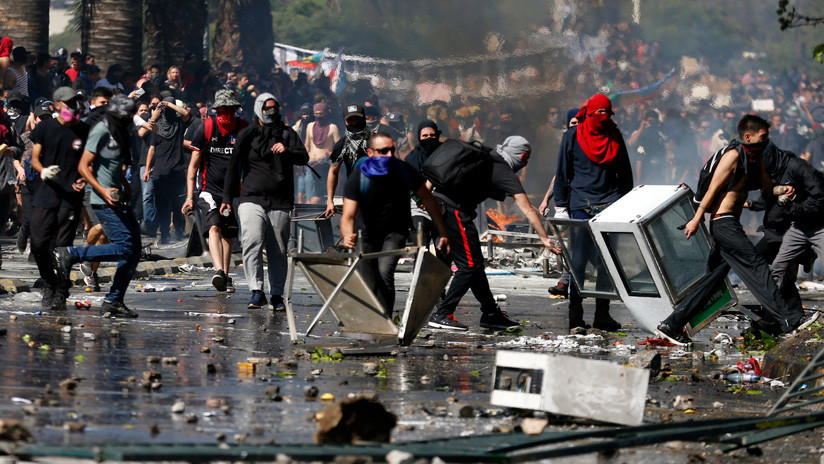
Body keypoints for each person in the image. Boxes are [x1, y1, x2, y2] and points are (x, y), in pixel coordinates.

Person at [656, 115, 805, 345]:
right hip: (723, 223)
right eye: (762, 137)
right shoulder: (733, 155)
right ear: (748, 136)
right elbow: (712, 190)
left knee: (713, 280)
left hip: (729, 224)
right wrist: (696, 220)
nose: (766, 141)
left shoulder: (755, 160)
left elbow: (767, 188)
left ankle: (671, 324)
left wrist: (783, 189)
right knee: (756, 267)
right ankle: (789, 320)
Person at [428, 135, 556, 331]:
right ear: (521, 155)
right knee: (469, 266)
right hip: (454, 213)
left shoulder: (487, 154)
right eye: (526, 158)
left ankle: (490, 313)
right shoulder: (503, 170)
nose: (525, 163)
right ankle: (443, 314)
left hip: (441, 206)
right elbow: (528, 209)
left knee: (476, 267)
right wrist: (545, 239)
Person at [340, 132, 449, 315]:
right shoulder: (360, 175)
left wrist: (442, 231)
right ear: (371, 153)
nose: (389, 155)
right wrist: (347, 233)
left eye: (392, 150)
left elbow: (428, 200)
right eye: (383, 151)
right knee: (368, 281)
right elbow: (348, 214)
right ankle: (369, 322)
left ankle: (385, 321)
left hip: (395, 232)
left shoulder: (403, 170)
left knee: (384, 274)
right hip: (365, 234)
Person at [54, 95, 141, 318]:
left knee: (134, 250)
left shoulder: (119, 130)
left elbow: (112, 164)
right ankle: (72, 253)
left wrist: (125, 184)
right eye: (129, 114)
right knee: (125, 247)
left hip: (117, 196)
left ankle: (114, 300)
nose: (132, 118)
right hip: (103, 200)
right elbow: (84, 166)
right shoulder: (101, 129)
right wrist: (102, 190)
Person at [220, 93, 308, 310]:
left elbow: (303, 157)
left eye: (275, 108)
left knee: (278, 249)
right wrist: (227, 198)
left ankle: (276, 294)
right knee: (252, 241)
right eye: (267, 108)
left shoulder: (287, 133)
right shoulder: (247, 135)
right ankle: (256, 291)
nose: (272, 112)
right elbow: (234, 167)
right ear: (259, 109)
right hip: (251, 198)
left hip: (280, 200)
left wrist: (286, 151)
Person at [554, 94, 633, 332]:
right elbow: (562, 172)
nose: (604, 117)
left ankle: (602, 314)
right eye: (599, 112)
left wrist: (626, 203)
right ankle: (575, 317)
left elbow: (625, 174)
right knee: (577, 262)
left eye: (607, 113)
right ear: (590, 113)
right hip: (580, 207)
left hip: (610, 206)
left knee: (607, 264)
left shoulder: (615, 136)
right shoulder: (572, 136)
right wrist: (561, 206)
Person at [29, 87, 90, 311]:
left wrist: (84, 178)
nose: (73, 107)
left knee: (63, 247)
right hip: (47, 193)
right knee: (38, 244)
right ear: (56, 106)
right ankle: (49, 281)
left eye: (76, 103)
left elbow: (90, 161)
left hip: (71, 196)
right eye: (68, 103)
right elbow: (35, 158)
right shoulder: (45, 128)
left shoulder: (84, 129)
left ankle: (61, 290)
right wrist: (43, 171)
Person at [183, 90, 247, 292]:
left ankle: (225, 275)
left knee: (228, 235)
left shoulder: (243, 128)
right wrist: (189, 196)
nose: (225, 112)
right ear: (216, 109)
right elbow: (193, 165)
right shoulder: (207, 127)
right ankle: (218, 271)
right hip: (208, 189)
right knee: (214, 228)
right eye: (222, 108)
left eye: (229, 108)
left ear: (235, 110)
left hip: (235, 192)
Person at [538, 107, 579, 299]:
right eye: (573, 124)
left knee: (578, 246)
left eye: (579, 124)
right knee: (569, 246)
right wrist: (547, 198)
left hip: (582, 203)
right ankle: (566, 282)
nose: (576, 128)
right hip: (567, 204)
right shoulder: (566, 144)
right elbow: (559, 176)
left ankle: (567, 283)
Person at [143, 96, 190, 243]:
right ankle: (164, 234)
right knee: (162, 206)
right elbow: (151, 149)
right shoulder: (157, 126)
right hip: (160, 172)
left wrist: (170, 104)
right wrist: (147, 169)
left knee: (177, 205)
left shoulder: (178, 124)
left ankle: (179, 233)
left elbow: (186, 113)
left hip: (177, 170)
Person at [403, 120, 446, 258]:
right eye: (425, 136)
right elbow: (409, 185)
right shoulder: (412, 158)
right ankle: (420, 275)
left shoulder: (446, 153)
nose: (429, 138)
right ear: (419, 137)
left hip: (443, 206)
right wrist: (419, 199)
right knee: (421, 250)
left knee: (443, 252)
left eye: (432, 135)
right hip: (419, 207)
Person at [324, 104, 371, 218]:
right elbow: (333, 171)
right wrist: (330, 201)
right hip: (354, 195)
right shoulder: (342, 145)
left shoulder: (376, 140)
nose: (354, 122)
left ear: (364, 118)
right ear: (345, 122)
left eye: (357, 118)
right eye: (350, 119)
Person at [300, 103, 339, 205]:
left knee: (314, 183)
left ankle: (314, 203)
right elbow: (307, 144)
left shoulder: (333, 127)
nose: (318, 116)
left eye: (321, 113)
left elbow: (339, 147)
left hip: (324, 163)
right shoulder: (310, 126)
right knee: (307, 179)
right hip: (310, 160)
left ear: (326, 113)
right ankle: (309, 203)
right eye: (316, 113)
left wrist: (330, 153)